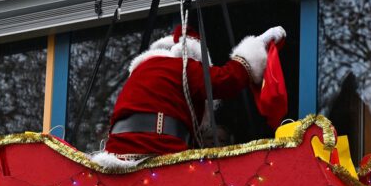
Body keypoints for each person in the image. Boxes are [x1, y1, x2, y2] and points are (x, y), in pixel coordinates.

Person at [100, 25, 285, 158]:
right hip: (157, 149)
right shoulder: (181, 66)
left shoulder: (141, 73)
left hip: (117, 153)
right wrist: (256, 46)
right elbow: (225, 81)